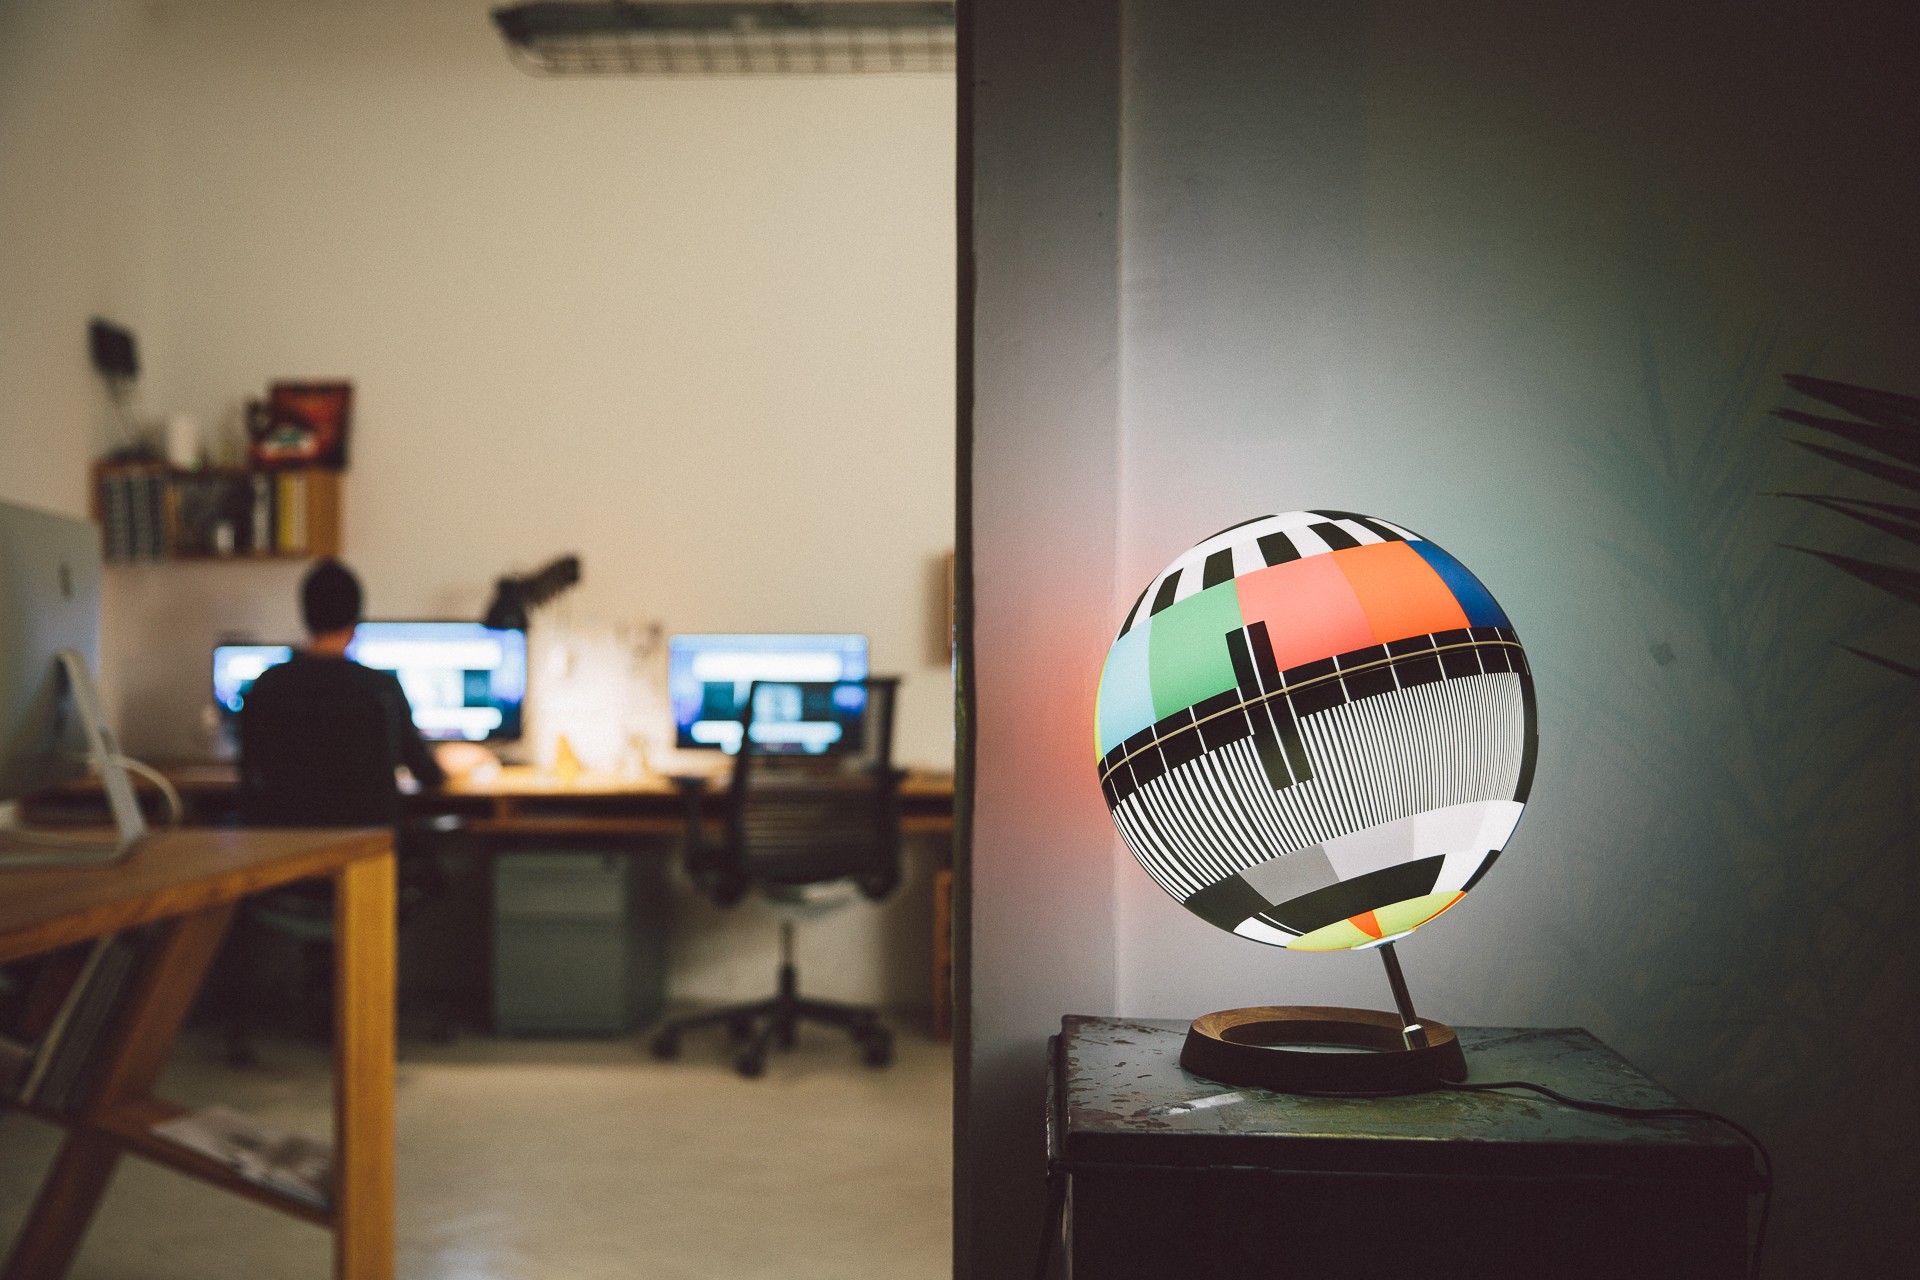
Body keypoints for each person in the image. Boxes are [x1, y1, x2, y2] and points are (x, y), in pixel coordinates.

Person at [238, 558, 448, 825]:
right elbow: (427, 774)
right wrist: (453, 760)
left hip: (286, 842)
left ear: (306, 616)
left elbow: (249, 772)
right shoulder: (381, 689)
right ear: (355, 623)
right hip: (366, 843)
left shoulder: (266, 686)